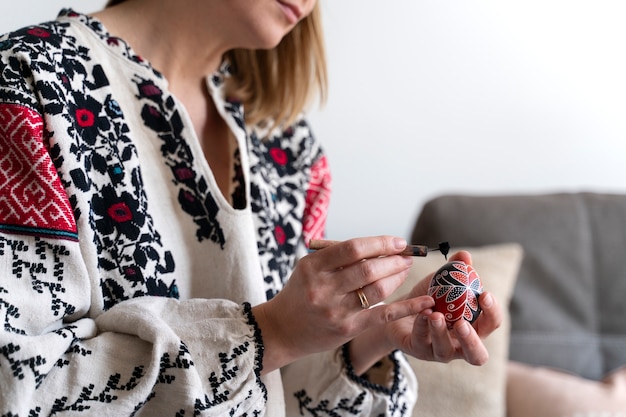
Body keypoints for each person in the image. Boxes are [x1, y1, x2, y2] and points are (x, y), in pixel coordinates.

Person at [0, 1, 503, 415]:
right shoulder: (27, 91)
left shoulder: (290, 152)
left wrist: (365, 342)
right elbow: (15, 383)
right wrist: (270, 332)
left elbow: (276, 395)